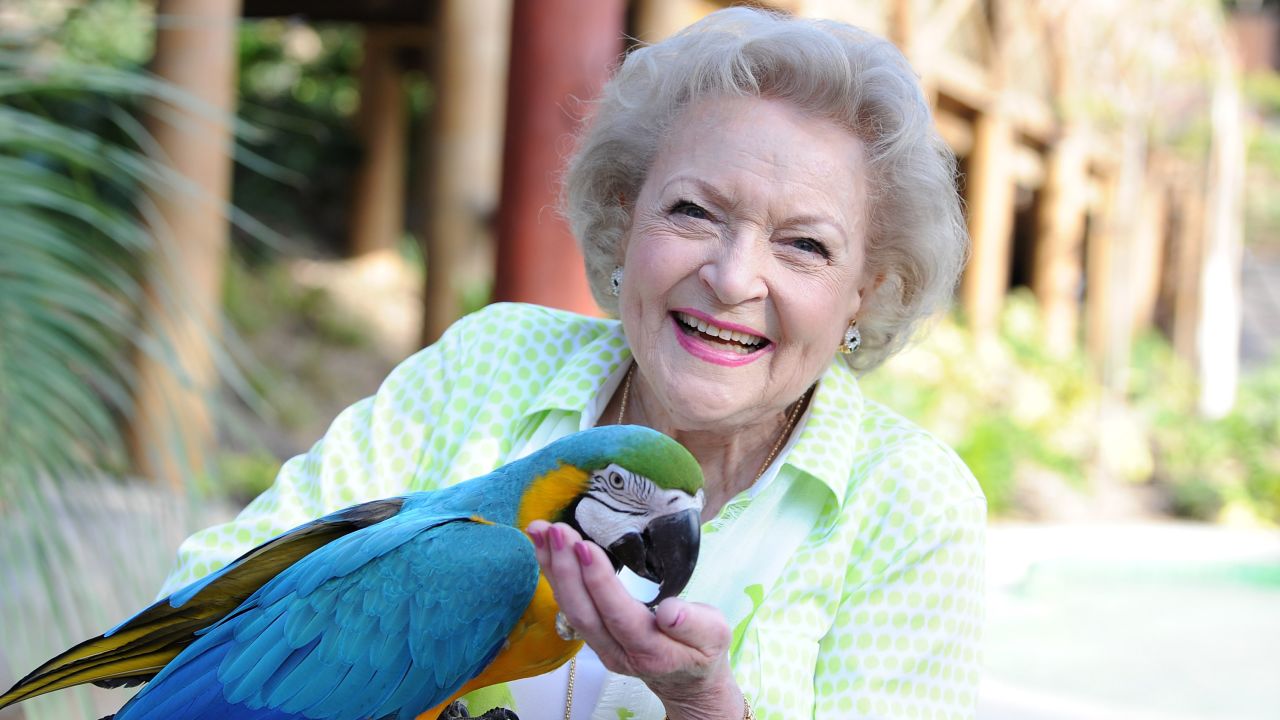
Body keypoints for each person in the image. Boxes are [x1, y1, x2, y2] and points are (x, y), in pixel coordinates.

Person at [160, 7, 984, 720]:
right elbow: (207, 607)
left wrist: (703, 705)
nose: (733, 278)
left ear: (865, 293)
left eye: (805, 245)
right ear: (625, 219)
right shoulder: (491, 366)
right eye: (693, 212)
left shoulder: (910, 503)